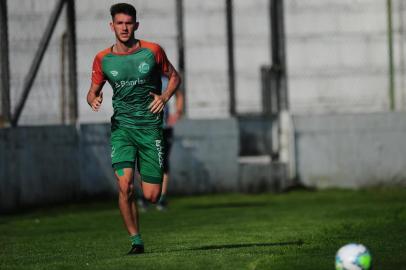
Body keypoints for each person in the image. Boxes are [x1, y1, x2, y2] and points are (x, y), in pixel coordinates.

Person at [86, 3, 181, 255]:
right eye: (120, 23)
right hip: (123, 129)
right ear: (112, 26)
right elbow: (92, 92)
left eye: (129, 23)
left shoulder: (152, 51)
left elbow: (174, 77)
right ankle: (136, 241)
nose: (124, 27)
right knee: (125, 185)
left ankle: (146, 174)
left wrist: (164, 97)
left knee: (152, 196)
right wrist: (93, 99)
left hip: (150, 129)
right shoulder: (103, 59)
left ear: (136, 25)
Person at [156, 78, 184, 210]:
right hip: (146, 128)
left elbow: (178, 94)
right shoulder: (140, 76)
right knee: (144, 161)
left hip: (164, 128)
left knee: (164, 162)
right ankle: (146, 196)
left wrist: (177, 112)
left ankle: (162, 197)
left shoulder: (167, 80)